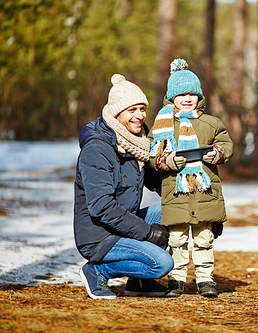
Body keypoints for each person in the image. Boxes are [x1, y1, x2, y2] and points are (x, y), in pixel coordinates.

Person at [74, 74, 174, 300]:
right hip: (99, 236)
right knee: (161, 263)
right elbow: (101, 207)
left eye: (142, 109)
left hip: (122, 223)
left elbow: (157, 183)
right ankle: (97, 271)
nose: (140, 116)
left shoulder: (135, 144)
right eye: (132, 110)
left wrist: (199, 212)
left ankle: (140, 282)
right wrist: (147, 233)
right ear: (116, 112)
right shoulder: (97, 149)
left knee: (172, 212)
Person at [148, 59, 233, 298]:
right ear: (171, 98)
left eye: (192, 94)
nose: (187, 99)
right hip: (175, 194)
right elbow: (152, 155)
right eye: (181, 94)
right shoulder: (162, 126)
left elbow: (226, 145)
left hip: (205, 194)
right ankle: (176, 281)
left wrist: (216, 153)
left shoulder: (211, 123)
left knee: (204, 239)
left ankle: (206, 280)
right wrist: (167, 161)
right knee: (177, 240)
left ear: (199, 97)